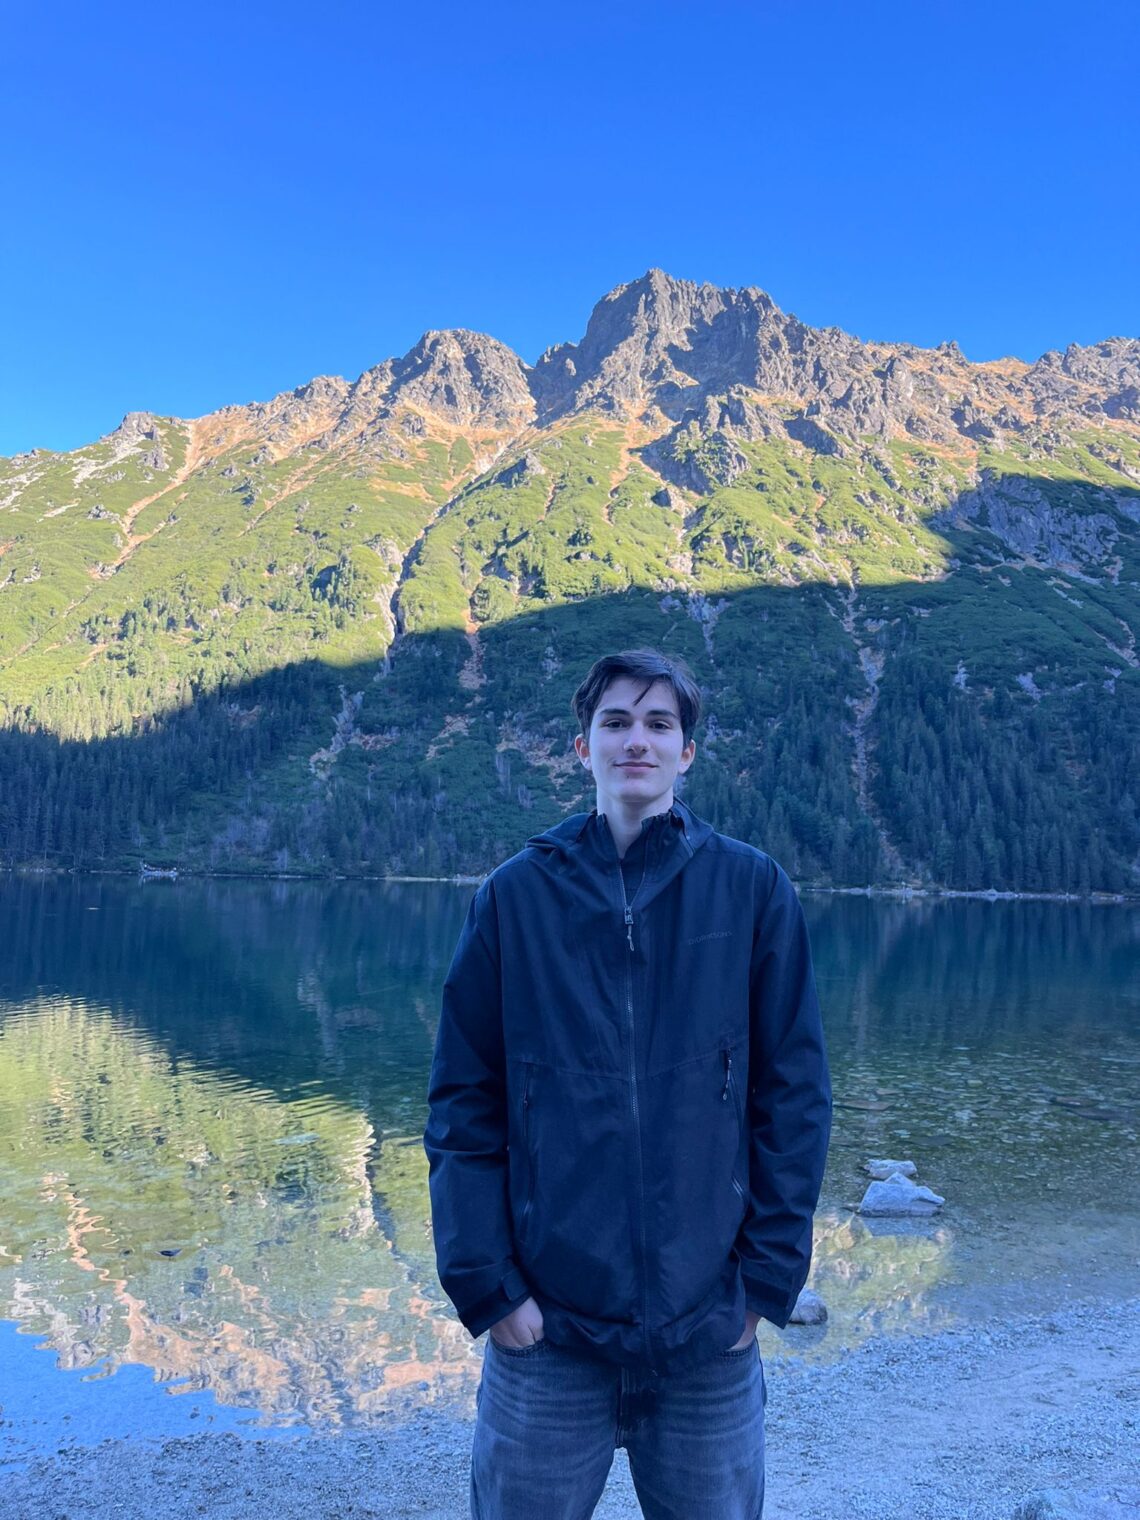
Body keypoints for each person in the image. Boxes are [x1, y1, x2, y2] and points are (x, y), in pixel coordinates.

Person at [423, 647, 831, 1519]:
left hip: (706, 1337)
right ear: (584, 749)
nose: (635, 740)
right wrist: (490, 1290)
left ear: (687, 752)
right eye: (615, 723)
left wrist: (761, 1288)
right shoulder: (514, 899)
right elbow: (465, 1105)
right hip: (547, 1335)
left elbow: (794, 1100)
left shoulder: (752, 891)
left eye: (658, 724)